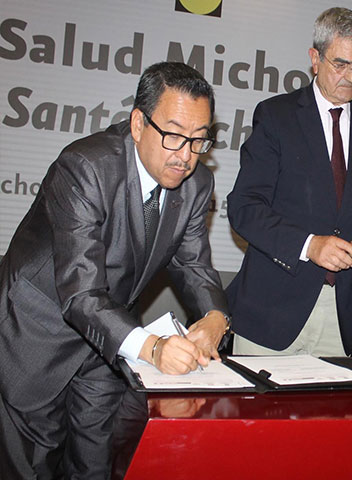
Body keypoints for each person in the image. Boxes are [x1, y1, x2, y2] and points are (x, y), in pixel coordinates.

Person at [0, 62, 230, 478]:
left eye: (199, 140)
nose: (185, 156)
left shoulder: (197, 185)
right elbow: (81, 292)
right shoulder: (85, 167)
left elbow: (193, 263)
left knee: (97, 461)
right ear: (139, 124)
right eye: (174, 135)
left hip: (111, 335)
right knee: (33, 462)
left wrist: (215, 317)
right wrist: (154, 349)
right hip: (39, 328)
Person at [225, 7, 352, 356]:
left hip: (341, 316)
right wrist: (309, 246)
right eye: (341, 64)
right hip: (269, 314)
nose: (351, 77)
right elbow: (244, 207)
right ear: (315, 59)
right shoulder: (276, 116)